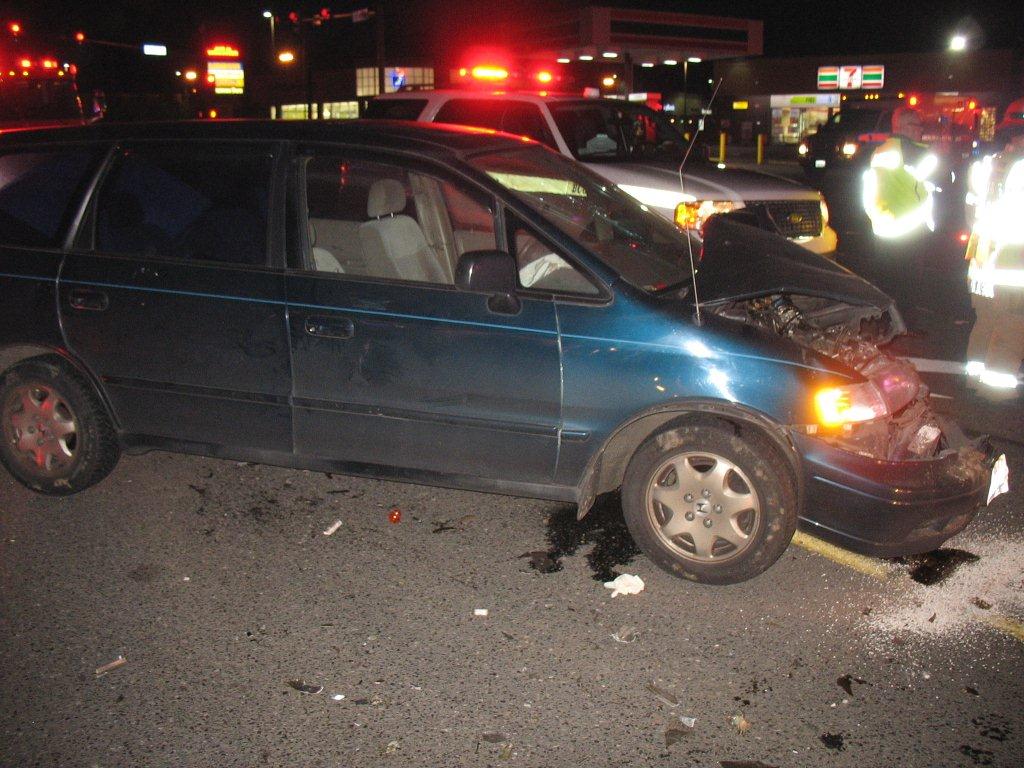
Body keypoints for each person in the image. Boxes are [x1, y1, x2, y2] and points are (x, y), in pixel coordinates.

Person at [963, 121, 1024, 399]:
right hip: (1012, 265)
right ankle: (996, 392)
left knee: (986, 321)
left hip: (981, 261)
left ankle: (975, 380)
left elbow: (969, 212)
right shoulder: (1020, 169)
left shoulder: (984, 167)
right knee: (1012, 326)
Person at [861, 105, 938, 239]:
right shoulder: (916, 153)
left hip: (882, 229)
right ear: (905, 127)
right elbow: (944, 180)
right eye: (917, 125)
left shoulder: (878, 152)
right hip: (909, 230)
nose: (921, 130)